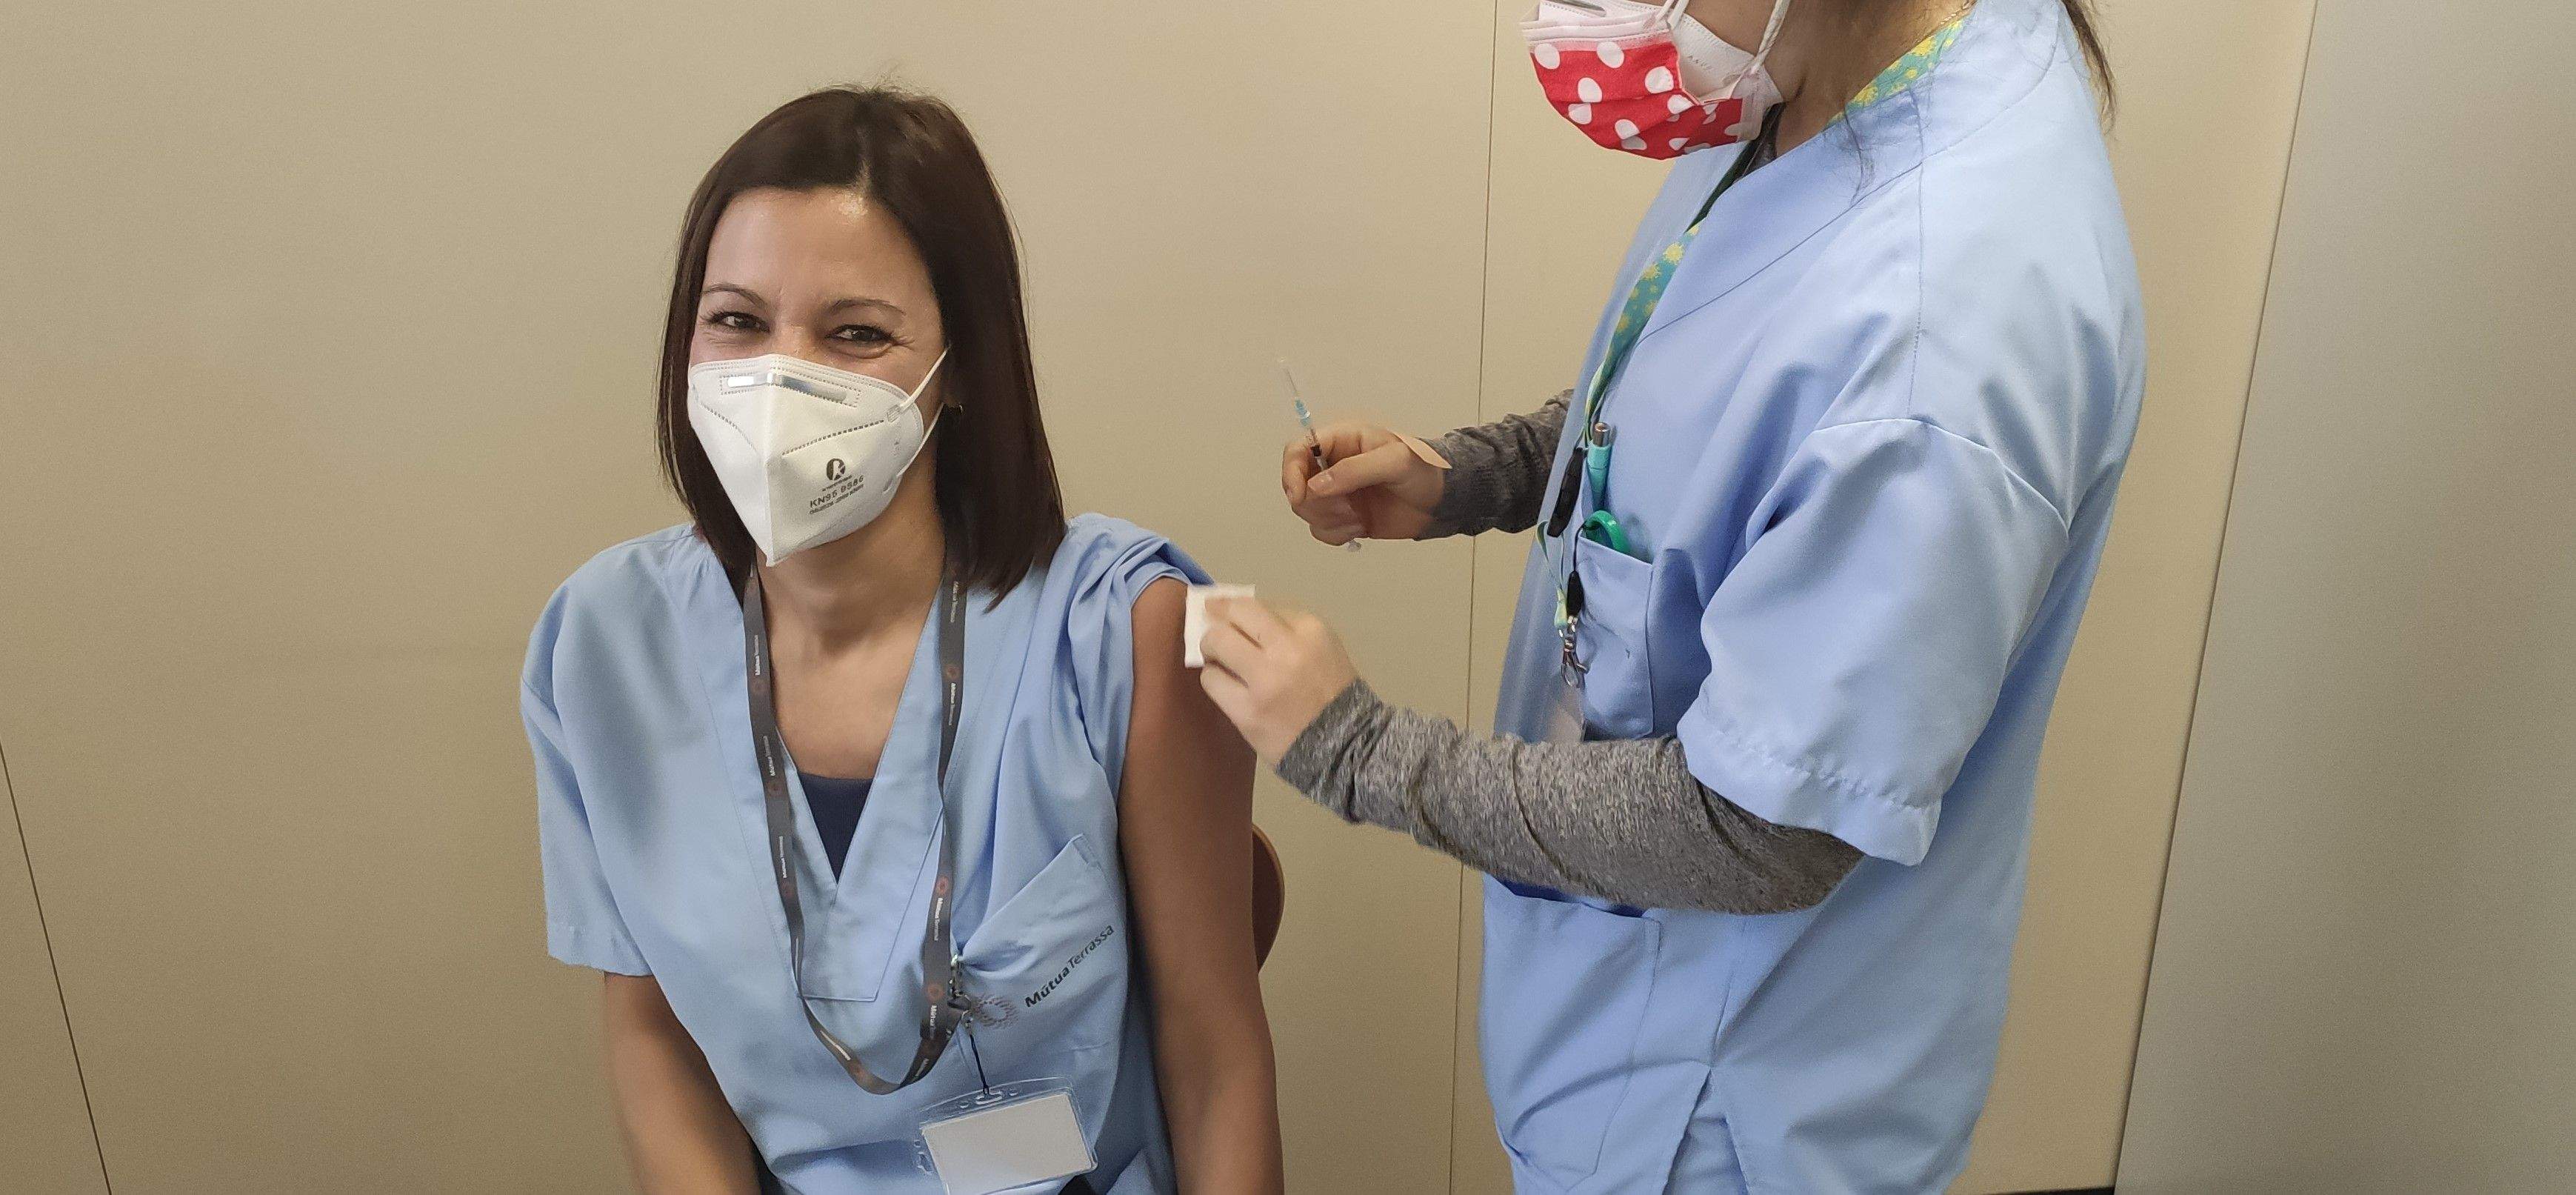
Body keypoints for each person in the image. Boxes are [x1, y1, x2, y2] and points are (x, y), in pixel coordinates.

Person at [1196, 0, 2140, 1190]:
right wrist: (1471, 476)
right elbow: (1710, 405)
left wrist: (1357, 750)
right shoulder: (1816, 67)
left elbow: (1761, 831)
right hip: (1615, 1018)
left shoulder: (1941, 326)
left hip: (1724, 1102)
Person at [523, 87, 1282, 1194]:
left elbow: (1216, 1059)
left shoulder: (1134, 627)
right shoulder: (598, 643)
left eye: (855, 334)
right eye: (736, 320)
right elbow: (652, 1035)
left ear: (962, 365)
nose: (784, 377)